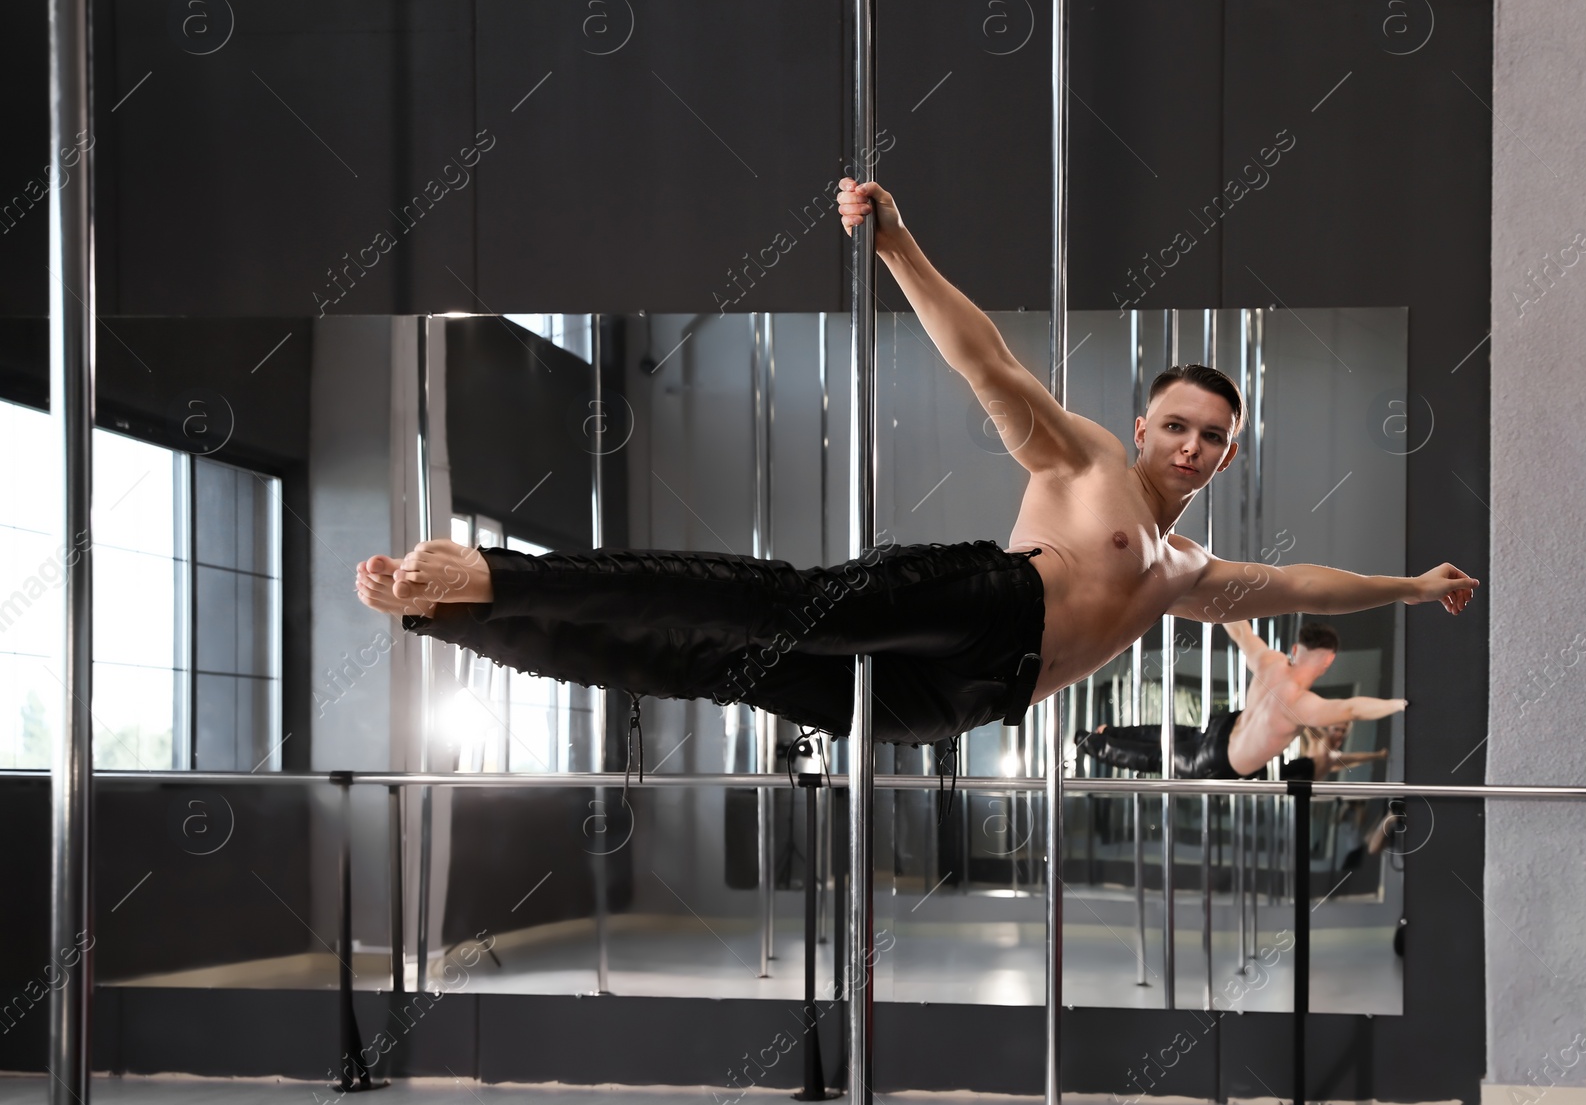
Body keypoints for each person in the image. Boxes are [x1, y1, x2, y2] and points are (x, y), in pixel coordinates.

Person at [354, 178, 1477, 747]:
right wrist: (895, 243)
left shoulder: (1191, 571)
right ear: (1142, 430)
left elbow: (1306, 586)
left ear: (1227, 457)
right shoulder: (1086, 459)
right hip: (981, 604)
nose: (1191, 445)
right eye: (1176, 424)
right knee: (774, 606)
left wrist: (1413, 586)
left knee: (710, 670)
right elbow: (984, 361)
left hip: (964, 701)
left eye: (1212, 437)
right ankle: (497, 575)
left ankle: (450, 619)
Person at [1076, 621, 1405, 780]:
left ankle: (1107, 732)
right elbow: (1352, 708)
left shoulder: (1271, 661)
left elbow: (1240, 631)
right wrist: (1397, 704)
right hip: (1222, 759)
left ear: (1294, 650)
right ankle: (1086, 742)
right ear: (1326, 663)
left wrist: (1217, 591)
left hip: (1218, 732)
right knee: (1158, 756)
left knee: (1169, 736)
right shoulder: (1303, 704)